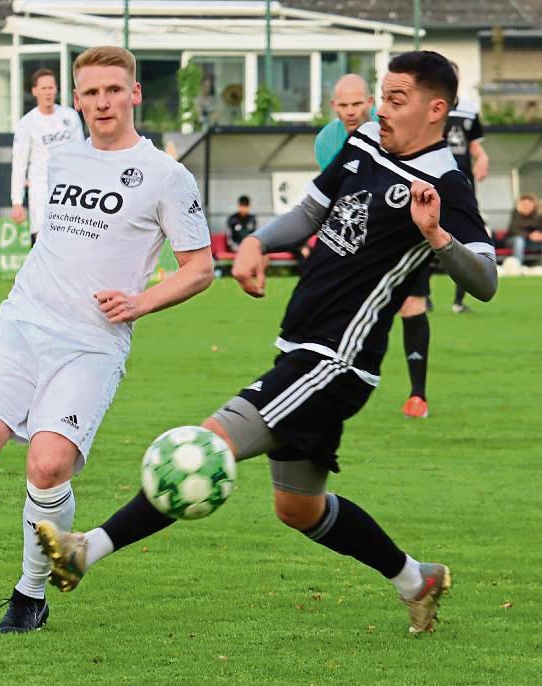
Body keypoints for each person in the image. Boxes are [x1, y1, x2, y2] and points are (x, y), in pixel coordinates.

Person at [36, 51, 497, 635]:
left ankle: (86, 550)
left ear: (437, 110)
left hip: (337, 361)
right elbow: (308, 213)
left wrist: (437, 236)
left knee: (203, 446)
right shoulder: (362, 149)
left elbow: (484, 280)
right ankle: (417, 580)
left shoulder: (446, 185)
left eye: (395, 100)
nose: (381, 109)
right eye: (381, 96)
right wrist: (255, 242)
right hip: (302, 350)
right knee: (297, 508)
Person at [0, 46, 213, 639]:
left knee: (49, 463)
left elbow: (199, 267)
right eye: (90, 92)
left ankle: (30, 595)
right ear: (77, 99)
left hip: (93, 343)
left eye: (114, 90)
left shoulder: (167, 175)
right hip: (22, 322)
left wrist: (141, 302)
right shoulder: (60, 157)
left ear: (134, 93)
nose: (102, 102)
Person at [314, 74, 430, 418]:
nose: (351, 112)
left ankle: (418, 395)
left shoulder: (395, 130)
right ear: (334, 106)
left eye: (357, 104)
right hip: (356, 233)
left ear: (370, 102)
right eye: (343, 106)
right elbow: (335, 196)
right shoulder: (326, 141)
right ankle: (329, 384)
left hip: (403, 231)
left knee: (411, 304)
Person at [11, 68, 85, 246]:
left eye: (51, 87)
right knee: (42, 239)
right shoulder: (27, 123)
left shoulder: (70, 116)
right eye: (43, 88)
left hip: (70, 188)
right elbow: (19, 165)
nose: (48, 92)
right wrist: (17, 202)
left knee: (72, 239)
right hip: (41, 188)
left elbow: (82, 154)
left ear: (56, 89)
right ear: (34, 91)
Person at [445, 63, 490, 313]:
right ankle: (421, 297)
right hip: (433, 182)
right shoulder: (429, 107)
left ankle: (459, 301)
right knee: (421, 235)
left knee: (467, 239)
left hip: (462, 185)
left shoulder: (470, 109)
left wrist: (482, 158)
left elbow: (474, 147)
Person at [507, 193, 542, 264]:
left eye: (529, 204)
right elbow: (514, 230)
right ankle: (517, 266)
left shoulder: (538, 216)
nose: (526, 206)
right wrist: (529, 235)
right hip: (513, 241)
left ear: (533, 205)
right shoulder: (515, 214)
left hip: (531, 243)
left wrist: (539, 235)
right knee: (519, 240)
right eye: (524, 204)